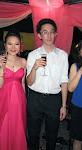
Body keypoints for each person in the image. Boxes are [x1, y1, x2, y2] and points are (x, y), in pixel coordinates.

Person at [26, 18, 69, 150]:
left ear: (56, 34)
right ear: (39, 35)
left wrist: (63, 105)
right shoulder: (33, 55)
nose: (49, 36)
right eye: (45, 32)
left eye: (51, 32)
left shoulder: (62, 55)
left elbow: (64, 80)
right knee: (33, 134)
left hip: (54, 99)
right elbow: (29, 82)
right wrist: (34, 68)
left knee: (52, 135)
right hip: (35, 98)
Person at [0, 30, 27, 150]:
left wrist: (24, 100)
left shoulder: (24, 62)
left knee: (17, 128)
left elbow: (23, 82)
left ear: (20, 45)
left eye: (16, 44)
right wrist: (1, 71)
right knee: (3, 128)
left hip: (19, 100)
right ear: (5, 45)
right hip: (4, 98)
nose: (13, 47)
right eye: (10, 44)